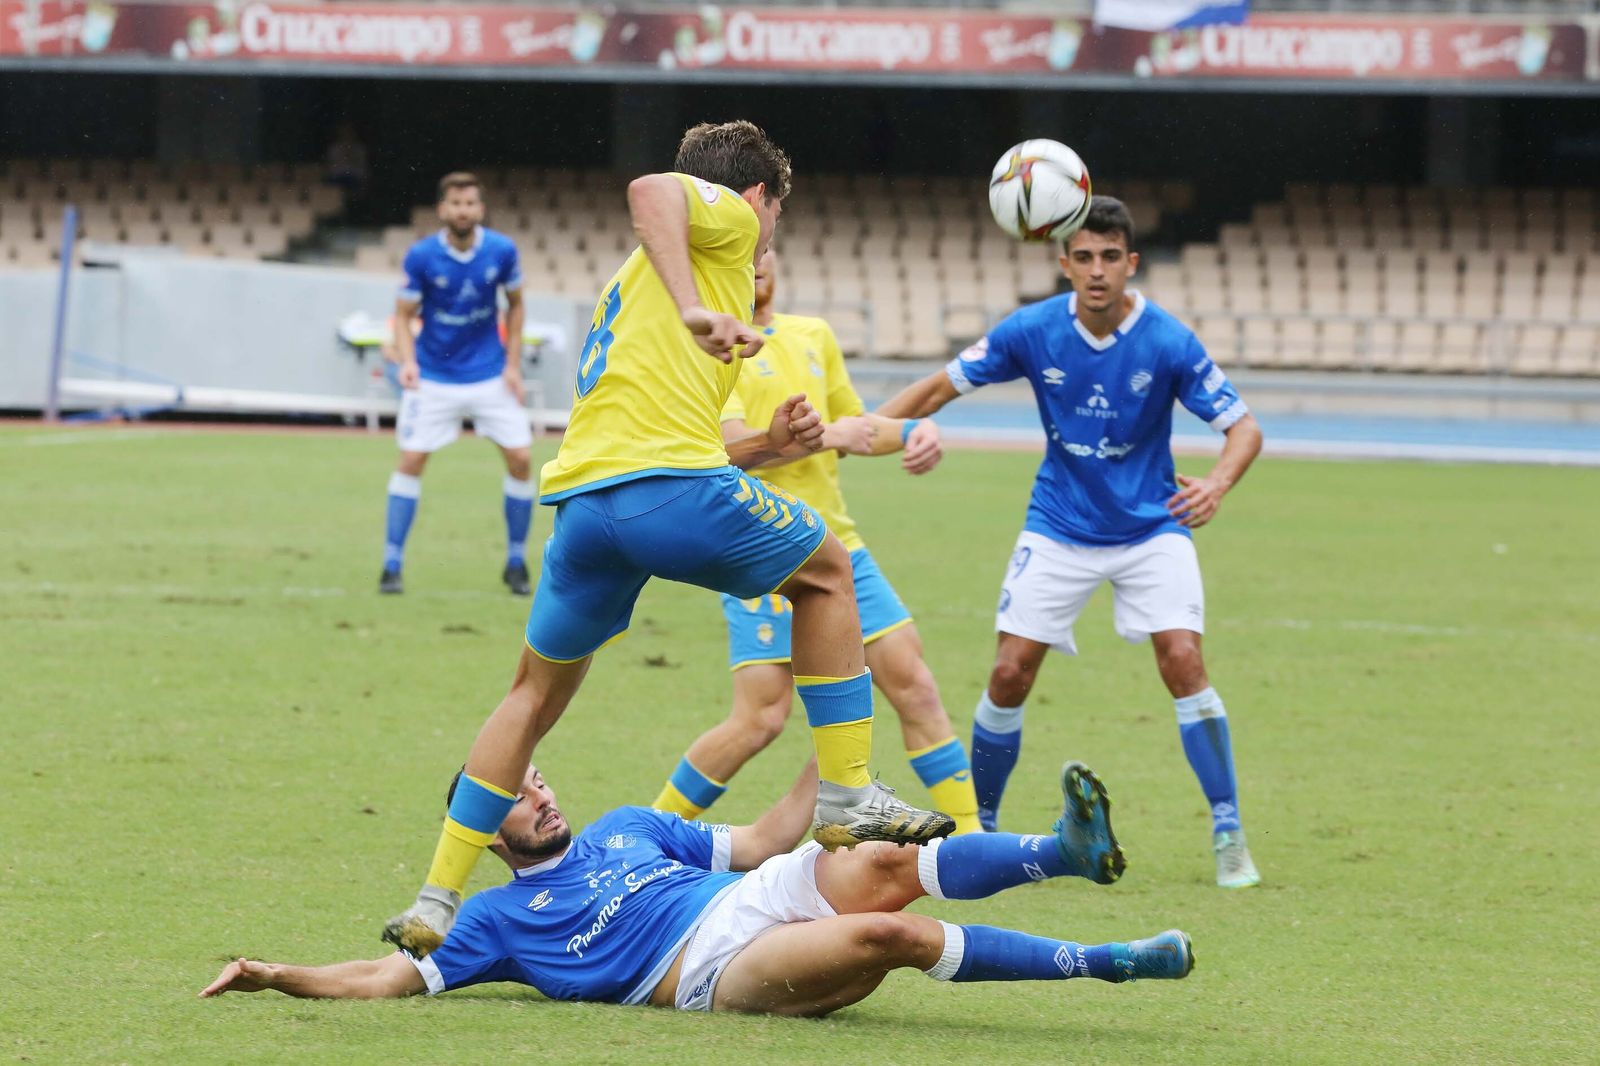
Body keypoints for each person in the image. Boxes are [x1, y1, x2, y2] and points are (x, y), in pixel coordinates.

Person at [382, 121, 952, 959]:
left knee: (531, 695)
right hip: (670, 491)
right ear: (755, 198)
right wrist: (694, 306)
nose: (770, 240)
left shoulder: (638, 282)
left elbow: (692, 425)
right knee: (829, 573)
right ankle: (846, 793)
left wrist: (773, 444)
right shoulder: (718, 222)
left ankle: (437, 895)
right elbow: (650, 190)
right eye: (776, 217)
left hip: (587, 510)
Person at [875, 197, 1266, 889]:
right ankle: (980, 827)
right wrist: (867, 428)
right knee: (1008, 673)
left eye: (1110, 257)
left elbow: (1244, 429)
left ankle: (1228, 828)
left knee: (1182, 659)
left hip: (1152, 526)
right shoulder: (1032, 330)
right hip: (1059, 524)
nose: (1096, 271)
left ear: (1131, 264)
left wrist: (1218, 485)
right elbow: (941, 384)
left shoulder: (1169, 341)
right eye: (1083, 257)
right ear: (1063, 265)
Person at [202, 760, 1189, 1014]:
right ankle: (1106, 965)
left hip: (752, 893)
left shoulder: (632, 826)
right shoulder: (494, 920)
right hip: (713, 969)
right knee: (889, 931)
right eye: (512, 794)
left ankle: (1064, 849)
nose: (537, 794)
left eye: (537, 777)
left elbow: (764, 836)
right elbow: (382, 979)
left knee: (881, 860)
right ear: (479, 833)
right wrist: (276, 973)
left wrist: (826, 737)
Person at [653, 249, 982, 834]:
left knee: (916, 688)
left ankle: (975, 841)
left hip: (839, 546)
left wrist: (913, 430)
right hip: (758, 552)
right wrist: (831, 433)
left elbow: (859, 428)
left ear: (777, 258)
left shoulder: (814, 335)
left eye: (761, 251)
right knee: (760, 718)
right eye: (738, 254)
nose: (752, 263)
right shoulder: (712, 351)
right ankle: (651, 828)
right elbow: (728, 451)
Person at [383, 172, 533, 597]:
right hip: (433, 375)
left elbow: (516, 306)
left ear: (480, 209)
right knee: (411, 461)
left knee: (521, 458)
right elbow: (402, 312)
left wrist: (513, 365)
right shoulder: (422, 256)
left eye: (470, 203)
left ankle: (516, 562)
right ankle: (391, 565)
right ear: (442, 209)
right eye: (455, 203)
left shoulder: (502, 251)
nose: (463, 210)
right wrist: (408, 363)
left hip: (489, 373)